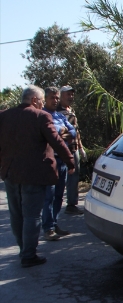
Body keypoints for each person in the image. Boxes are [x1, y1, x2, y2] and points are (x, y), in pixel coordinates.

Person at [0, 85, 75, 267]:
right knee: (32, 216)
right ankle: (29, 255)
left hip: (10, 173)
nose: (42, 104)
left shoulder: (4, 115)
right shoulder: (41, 116)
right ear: (34, 100)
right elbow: (56, 142)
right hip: (34, 175)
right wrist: (70, 161)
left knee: (17, 215)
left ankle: (23, 249)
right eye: (41, 100)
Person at [42, 87, 77, 241]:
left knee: (58, 195)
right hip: (50, 161)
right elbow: (50, 134)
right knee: (48, 196)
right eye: (52, 98)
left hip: (62, 160)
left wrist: (60, 133)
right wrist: (60, 132)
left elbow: (73, 132)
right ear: (45, 99)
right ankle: (48, 228)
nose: (55, 100)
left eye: (56, 98)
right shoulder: (42, 116)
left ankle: (54, 223)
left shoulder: (60, 116)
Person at [57, 86, 85, 216]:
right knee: (61, 177)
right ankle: (55, 204)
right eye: (68, 94)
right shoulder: (56, 111)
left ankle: (71, 204)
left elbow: (76, 131)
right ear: (61, 96)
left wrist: (80, 147)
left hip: (74, 149)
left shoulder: (71, 111)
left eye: (72, 94)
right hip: (62, 149)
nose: (70, 97)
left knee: (74, 176)